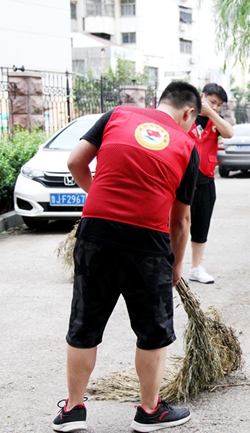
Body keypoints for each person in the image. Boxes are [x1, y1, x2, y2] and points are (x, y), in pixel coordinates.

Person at [52, 82, 201, 433]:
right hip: (147, 243)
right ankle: (149, 411)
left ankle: (72, 410)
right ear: (189, 113)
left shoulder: (116, 115)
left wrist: (100, 198)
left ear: (158, 102)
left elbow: (75, 161)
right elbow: (181, 221)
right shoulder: (186, 145)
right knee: (152, 332)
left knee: (84, 324)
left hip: (95, 234)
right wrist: (177, 263)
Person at [187, 83, 234, 284]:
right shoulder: (187, 114)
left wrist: (212, 114)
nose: (215, 107)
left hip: (206, 180)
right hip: (183, 180)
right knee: (177, 225)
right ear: (201, 96)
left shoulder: (216, 121)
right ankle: (170, 266)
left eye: (219, 105)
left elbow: (229, 133)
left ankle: (195, 268)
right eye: (212, 102)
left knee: (201, 226)